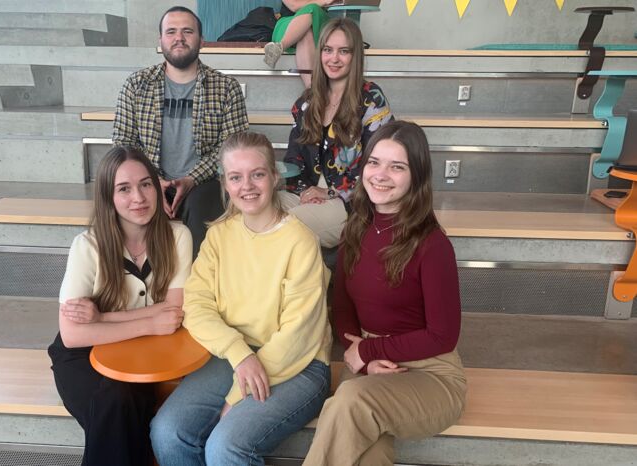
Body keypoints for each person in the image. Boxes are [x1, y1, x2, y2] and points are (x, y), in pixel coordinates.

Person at [150, 131, 332, 466]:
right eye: (236, 177)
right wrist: (238, 355)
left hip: (300, 365)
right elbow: (197, 305)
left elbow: (298, 334)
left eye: (257, 174)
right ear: (225, 183)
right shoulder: (219, 236)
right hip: (236, 355)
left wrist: (237, 395)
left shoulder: (300, 242)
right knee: (167, 430)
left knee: (225, 447)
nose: (246, 186)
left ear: (274, 178)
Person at [303, 121, 467, 466]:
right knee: (367, 452)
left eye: (398, 166)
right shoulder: (357, 230)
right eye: (375, 162)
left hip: (430, 374)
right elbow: (343, 308)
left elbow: (443, 335)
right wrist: (361, 358)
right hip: (366, 363)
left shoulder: (433, 244)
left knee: (350, 403)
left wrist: (369, 350)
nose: (381, 174)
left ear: (416, 176)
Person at [47, 146, 193, 466]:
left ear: (157, 187)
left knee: (119, 405)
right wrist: (148, 323)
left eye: (145, 184)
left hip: (144, 353)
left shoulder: (178, 236)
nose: (138, 197)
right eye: (124, 189)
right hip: (82, 356)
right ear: (108, 197)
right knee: (116, 404)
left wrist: (101, 317)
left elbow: (174, 311)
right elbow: (72, 335)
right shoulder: (87, 246)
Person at [113, 6, 249, 258]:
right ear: (161, 40)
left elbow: (233, 150)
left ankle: (197, 289)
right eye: (171, 31)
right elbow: (123, 144)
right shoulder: (136, 85)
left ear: (201, 39)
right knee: (129, 202)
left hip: (203, 183)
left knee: (202, 210)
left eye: (188, 31)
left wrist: (191, 179)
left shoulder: (226, 88)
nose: (179, 38)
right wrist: (153, 180)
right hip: (148, 178)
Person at [280, 18, 393, 249]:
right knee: (255, 211)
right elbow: (293, 159)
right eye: (328, 50)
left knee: (286, 227)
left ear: (355, 56)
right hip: (307, 193)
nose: (334, 58)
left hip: (350, 203)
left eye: (344, 51)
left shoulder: (371, 98)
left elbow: (382, 165)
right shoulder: (307, 101)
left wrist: (330, 191)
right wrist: (304, 192)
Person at [263, 1, 332, 88]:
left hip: (317, 21)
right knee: (306, 30)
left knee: (312, 9)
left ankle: (279, 47)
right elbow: (294, 6)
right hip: (288, 24)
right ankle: (312, 90)